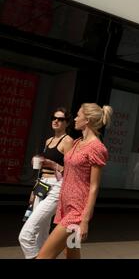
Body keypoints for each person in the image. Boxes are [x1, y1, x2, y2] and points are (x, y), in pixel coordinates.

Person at [37, 103, 113, 259]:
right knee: (71, 252)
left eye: (78, 115)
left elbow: (94, 187)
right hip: (65, 206)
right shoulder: (77, 142)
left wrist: (84, 220)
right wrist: (52, 165)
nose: (76, 119)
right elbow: (69, 171)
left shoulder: (97, 148)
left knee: (43, 256)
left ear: (87, 120)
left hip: (77, 211)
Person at [18, 107, 74, 259]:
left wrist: (53, 164)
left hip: (56, 186)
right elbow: (42, 169)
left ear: (67, 123)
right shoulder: (48, 140)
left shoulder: (68, 141)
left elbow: (71, 171)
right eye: (53, 118)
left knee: (27, 234)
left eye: (60, 119)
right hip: (42, 185)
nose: (56, 121)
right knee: (41, 233)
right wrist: (34, 189)